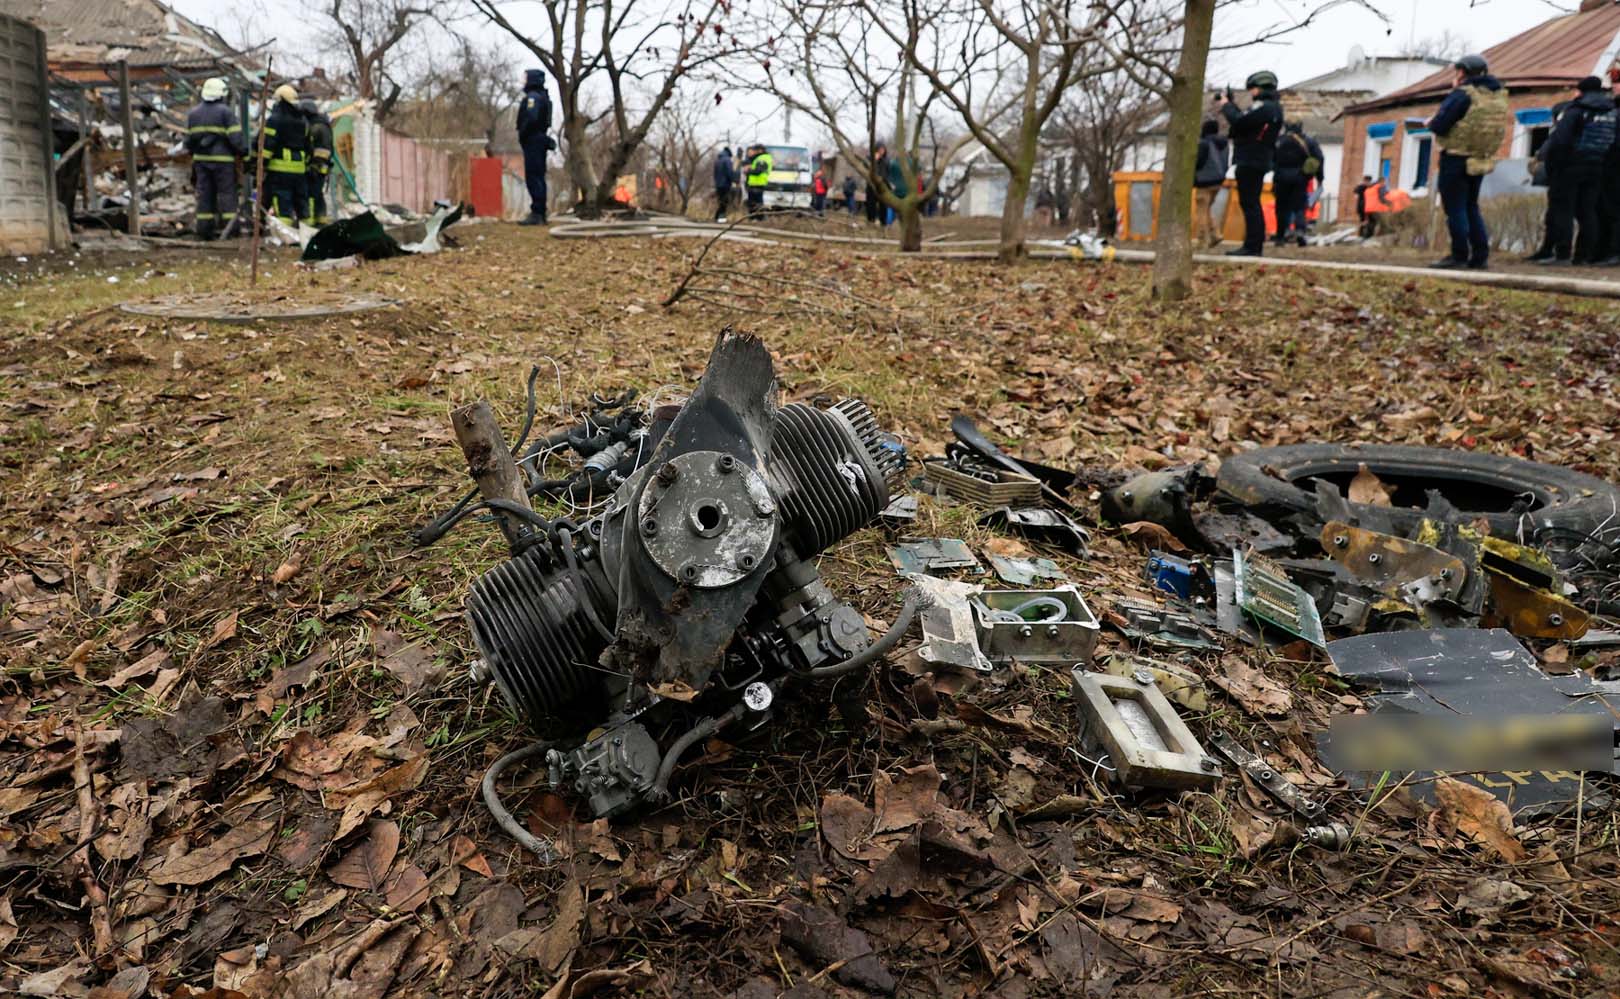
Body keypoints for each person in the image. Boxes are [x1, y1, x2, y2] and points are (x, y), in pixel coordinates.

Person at [1426, 53, 1508, 270]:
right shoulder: (1496, 96)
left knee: (1455, 208)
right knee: (1471, 206)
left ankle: (1459, 255)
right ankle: (1480, 256)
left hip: (1455, 157)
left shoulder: (1462, 94)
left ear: (1462, 72)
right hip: (1479, 160)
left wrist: (1431, 122)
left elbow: (1441, 124)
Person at [1539, 77, 1616, 266]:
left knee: (1563, 210)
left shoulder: (1575, 110)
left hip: (1570, 166)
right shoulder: (1613, 111)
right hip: (1598, 166)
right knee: (1587, 211)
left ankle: (1562, 254)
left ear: (1580, 91)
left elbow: (1560, 140)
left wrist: (1552, 165)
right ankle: (1583, 255)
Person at [1218, 70, 1284, 257]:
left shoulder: (1264, 107)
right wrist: (1232, 105)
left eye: (1253, 89)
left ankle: (1252, 246)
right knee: (1251, 203)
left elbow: (1239, 121)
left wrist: (1226, 106)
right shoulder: (1273, 108)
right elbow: (1246, 122)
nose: (1251, 93)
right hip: (1258, 159)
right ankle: (1253, 245)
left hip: (1251, 159)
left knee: (1250, 204)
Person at [185, 77, 245, 239]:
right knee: (227, 195)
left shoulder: (193, 114)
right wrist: (244, 153)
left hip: (201, 162)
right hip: (223, 163)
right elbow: (236, 139)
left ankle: (204, 230)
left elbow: (189, 142)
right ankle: (231, 230)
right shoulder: (226, 113)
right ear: (221, 95)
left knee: (205, 195)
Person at [1525, 101, 1571, 263]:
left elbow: (1548, 153)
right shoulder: (1560, 131)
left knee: (1560, 215)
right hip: (1559, 177)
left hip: (1563, 177)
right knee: (1553, 216)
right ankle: (1547, 249)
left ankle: (1561, 252)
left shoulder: (1564, 131)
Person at [258, 83, 309, 226]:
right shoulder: (302, 121)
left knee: (282, 201)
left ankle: (284, 235)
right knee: (300, 202)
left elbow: (268, 145)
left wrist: (261, 163)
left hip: (280, 169)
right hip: (299, 169)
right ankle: (306, 232)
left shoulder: (275, 120)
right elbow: (307, 144)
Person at [1272, 121, 1324, 247]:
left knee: (1281, 208)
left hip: (1280, 178)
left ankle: (1280, 236)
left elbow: (1270, 157)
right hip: (1300, 178)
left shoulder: (1278, 141)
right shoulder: (1309, 141)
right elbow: (1319, 159)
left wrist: (1275, 170)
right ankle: (1300, 231)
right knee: (1300, 207)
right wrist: (1319, 177)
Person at [516, 69, 554, 226]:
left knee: (534, 176)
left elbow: (531, 118)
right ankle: (540, 212)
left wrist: (523, 134)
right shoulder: (542, 97)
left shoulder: (533, 98)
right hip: (538, 139)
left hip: (534, 140)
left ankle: (537, 213)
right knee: (538, 175)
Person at [1193, 119, 1230, 248]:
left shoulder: (1204, 143)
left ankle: (1202, 239)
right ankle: (1215, 234)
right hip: (1219, 181)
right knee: (1207, 208)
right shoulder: (1225, 144)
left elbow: (1199, 163)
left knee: (1202, 210)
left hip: (1204, 181)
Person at [300, 98, 334, 226]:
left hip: (318, 167)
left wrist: (314, 165)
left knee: (312, 194)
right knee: (317, 194)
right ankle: (320, 220)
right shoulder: (318, 124)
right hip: (318, 167)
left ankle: (312, 221)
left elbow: (323, 150)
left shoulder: (318, 127)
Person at [745, 143, 772, 213]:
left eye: (755, 150)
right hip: (757, 183)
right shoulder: (760, 158)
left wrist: (748, 170)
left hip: (757, 183)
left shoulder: (762, 158)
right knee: (755, 203)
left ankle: (756, 218)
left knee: (755, 203)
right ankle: (755, 218)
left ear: (760, 150)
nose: (753, 151)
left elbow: (758, 171)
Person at [712, 146, 736, 223]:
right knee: (725, 201)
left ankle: (717, 217)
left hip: (718, 184)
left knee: (721, 201)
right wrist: (733, 180)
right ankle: (720, 218)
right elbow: (729, 172)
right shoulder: (727, 160)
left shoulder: (718, 160)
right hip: (725, 184)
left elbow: (715, 174)